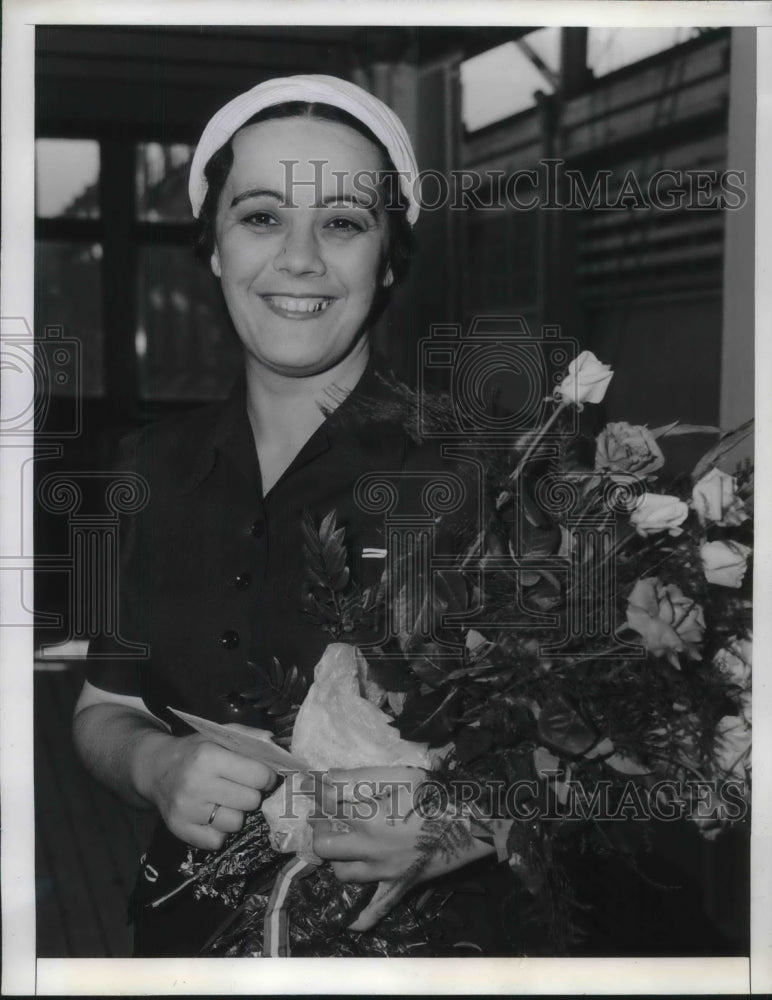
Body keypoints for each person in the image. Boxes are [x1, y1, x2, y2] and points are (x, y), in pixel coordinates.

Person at [73, 75, 500, 958]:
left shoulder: (488, 474)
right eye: (261, 216)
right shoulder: (140, 471)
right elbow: (101, 706)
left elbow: (624, 756)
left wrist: (471, 824)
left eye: (342, 222)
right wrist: (154, 766)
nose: (300, 257)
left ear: (387, 258)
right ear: (215, 248)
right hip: (185, 944)